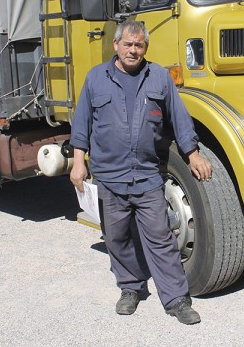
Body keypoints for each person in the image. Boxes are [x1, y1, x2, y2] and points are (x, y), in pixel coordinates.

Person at [69, 20, 212, 325]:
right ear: (116, 45)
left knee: (160, 238)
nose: (133, 50)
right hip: (110, 176)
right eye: (128, 44)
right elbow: (82, 124)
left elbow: (179, 118)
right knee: (116, 237)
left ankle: (177, 300)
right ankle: (131, 288)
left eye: (139, 45)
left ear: (145, 47)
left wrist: (194, 154)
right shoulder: (96, 78)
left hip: (147, 175)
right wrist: (78, 162)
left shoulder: (158, 76)